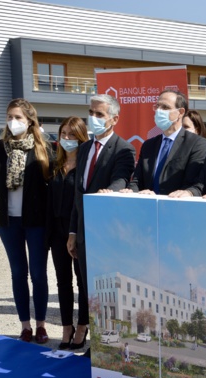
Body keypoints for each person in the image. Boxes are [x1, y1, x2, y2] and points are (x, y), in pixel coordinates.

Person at [67, 94, 135, 350]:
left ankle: (112, 347)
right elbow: (78, 195)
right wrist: (73, 232)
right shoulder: (84, 148)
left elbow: (120, 182)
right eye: (91, 113)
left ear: (114, 119)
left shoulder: (124, 149)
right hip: (84, 233)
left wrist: (110, 191)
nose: (92, 119)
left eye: (99, 114)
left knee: (108, 296)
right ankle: (97, 347)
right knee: (88, 292)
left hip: (107, 234)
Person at [0, 98, 53, 344]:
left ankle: (41, 325)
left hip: (36, 221)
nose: (13, 122)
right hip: (8, 221)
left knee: (38, 274)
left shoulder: (44, 148)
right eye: (9, 117)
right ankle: (25, 326)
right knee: (18, 273)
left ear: (30, 121)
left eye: (18, 117)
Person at [47, 116, 89, 350]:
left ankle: (82, 325)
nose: (67, 139)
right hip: (56, 232)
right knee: (63, 282)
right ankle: (66, 327)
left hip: (79, 231)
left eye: (72, 134)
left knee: (82, 282)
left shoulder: (85, 168)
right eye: (64, 134)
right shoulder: (55, 166)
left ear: (81, 137)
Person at [123, 90, 206, 195]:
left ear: (180, 112)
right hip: (147, 205)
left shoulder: (196, 143)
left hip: (176, 205)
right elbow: (137, 180)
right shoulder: (149, 145)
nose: (159, 111)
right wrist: (130, 191)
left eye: (165, 107)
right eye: (157, 106)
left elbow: (196, 183)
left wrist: (188, 193)